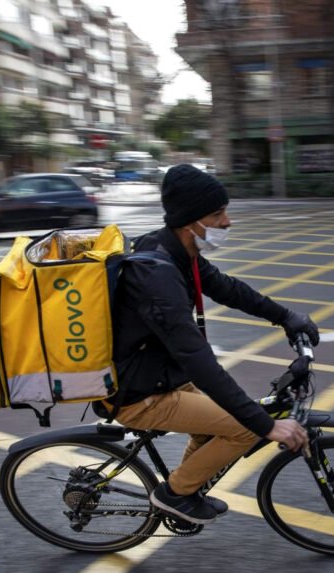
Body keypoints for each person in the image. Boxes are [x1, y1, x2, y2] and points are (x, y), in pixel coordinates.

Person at [95, 164, 320, 525]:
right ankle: (175, 494)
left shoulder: (176, 253)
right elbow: (197, 358)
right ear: (189, 221)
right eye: (217, 214)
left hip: (160, 375)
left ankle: (186, 487)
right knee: (246, 426)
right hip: (138, 395)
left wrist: (286, 317)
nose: (227, 222)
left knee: (224, 420)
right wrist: (265, 425)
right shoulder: (157, 275)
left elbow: (228, 288)